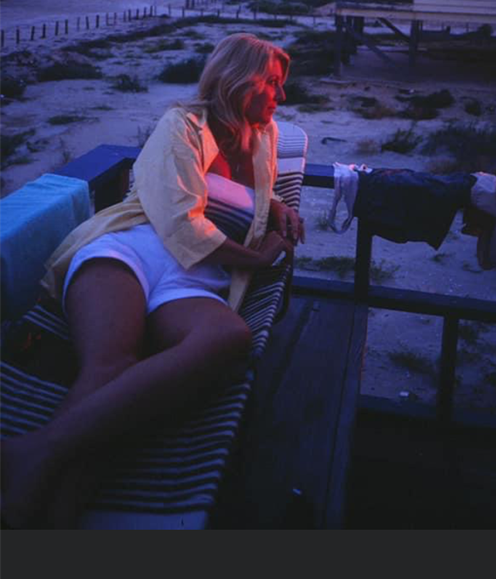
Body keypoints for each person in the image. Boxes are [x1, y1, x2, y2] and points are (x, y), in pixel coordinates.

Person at [0, 33, 304, 528]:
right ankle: (49, 512)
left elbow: (252, 191)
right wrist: (255, 257)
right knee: (109, 365)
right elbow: (181, 222)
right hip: (133, 248)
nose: (281, 96)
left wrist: (274, 205)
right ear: (239, 79)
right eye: (272, 82)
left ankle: (32, 451)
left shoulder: (264, 136)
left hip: (196, 277)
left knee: (230, 335)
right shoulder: (181, 125)